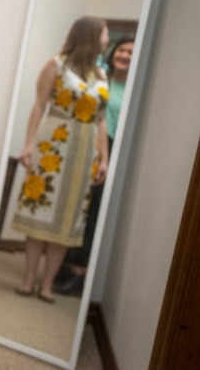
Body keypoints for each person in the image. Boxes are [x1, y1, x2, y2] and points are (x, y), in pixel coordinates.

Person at [11, 16, 111, 304]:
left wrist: (104, 159)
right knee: (41, 213)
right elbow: (39, 104)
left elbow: (101, 120)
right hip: (54, 146)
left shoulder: (102, 75)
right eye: (104, 34)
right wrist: (28, 143)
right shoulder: (57, 64)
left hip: (85, 153)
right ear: (91, 35)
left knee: (67, 222)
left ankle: (47, 283)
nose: (107, 39)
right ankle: (28, 279)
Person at [53, 36, 135, 295]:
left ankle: (79, 269)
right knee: (76, 205)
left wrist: (107, 158)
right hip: (88, 144)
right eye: (121, 50)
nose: (124, 55)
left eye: (131, 52)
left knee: (95, 210)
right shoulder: (99, 79)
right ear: (113, 53)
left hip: (114, 148)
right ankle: (63, 263)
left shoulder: (134, 88)